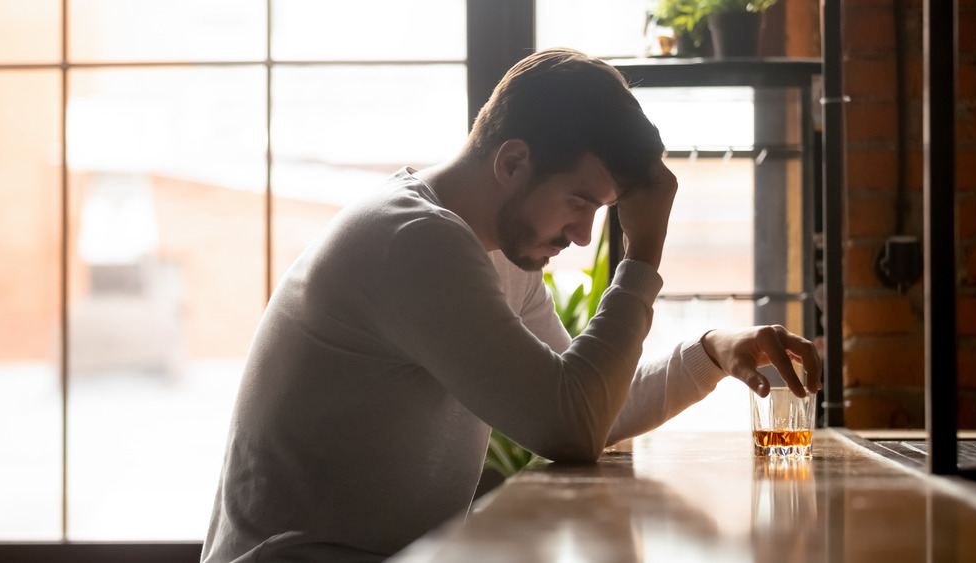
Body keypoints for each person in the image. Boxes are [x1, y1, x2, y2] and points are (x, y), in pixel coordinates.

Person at [200, 47, 821, 562]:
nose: (583, 235)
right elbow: (570, 427)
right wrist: (644, 251)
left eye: (599, 211)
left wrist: (710, 354)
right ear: (513, 161)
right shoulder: (414, 239)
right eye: (580, 201)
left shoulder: (494, 253)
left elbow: (593, 408)